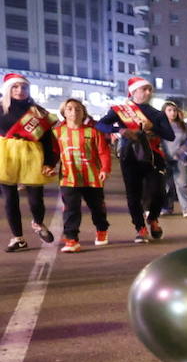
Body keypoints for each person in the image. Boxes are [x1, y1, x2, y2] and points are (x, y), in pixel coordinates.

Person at [95, 75, 174, 243]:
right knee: (133, 194)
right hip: (129, 155)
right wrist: (120, 130)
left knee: (158, 191)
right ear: (133, 92)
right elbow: (100, 125)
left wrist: (153, 127)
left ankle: (153, 218)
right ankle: (140, 228)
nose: (148, 92)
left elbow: (170, 135)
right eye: (144, 89)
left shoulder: (157, 114)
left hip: (153, 156)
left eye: (149, 90)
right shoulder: (119, 110)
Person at [1, 72, 58, 252]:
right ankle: (18, 238)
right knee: (10, 199)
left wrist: (49, 162)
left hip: (33, 155)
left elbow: (48, 140)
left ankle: (38, 223)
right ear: (8, 89)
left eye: (24, 87)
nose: (20, 90)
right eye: (15, 87)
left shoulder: (38, 112)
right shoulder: (1, 108)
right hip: (6, 155)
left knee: (35, 199)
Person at [52, 99, 111, 252]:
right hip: (68, 177)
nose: (74, 112)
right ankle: (71, 240)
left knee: (97, 207)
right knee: (71, 208)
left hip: (92, 177)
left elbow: (103, 152)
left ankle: (101, 229)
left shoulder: (92, 132)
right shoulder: (57, 133)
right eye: (70, 109)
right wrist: (49, 166)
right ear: (64, 112)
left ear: (83, 112)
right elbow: (53, 153)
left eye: (78, 109)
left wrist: (105, 169)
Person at [162, 102, 187, 218]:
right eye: (169, 110)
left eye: (174, 110)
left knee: (183, 183)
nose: (172, 113)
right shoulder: (159, 126)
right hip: (164, 159)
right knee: (166, 185)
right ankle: (166, 207)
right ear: (164, 112)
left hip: (181, 159)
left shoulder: (185, 126)